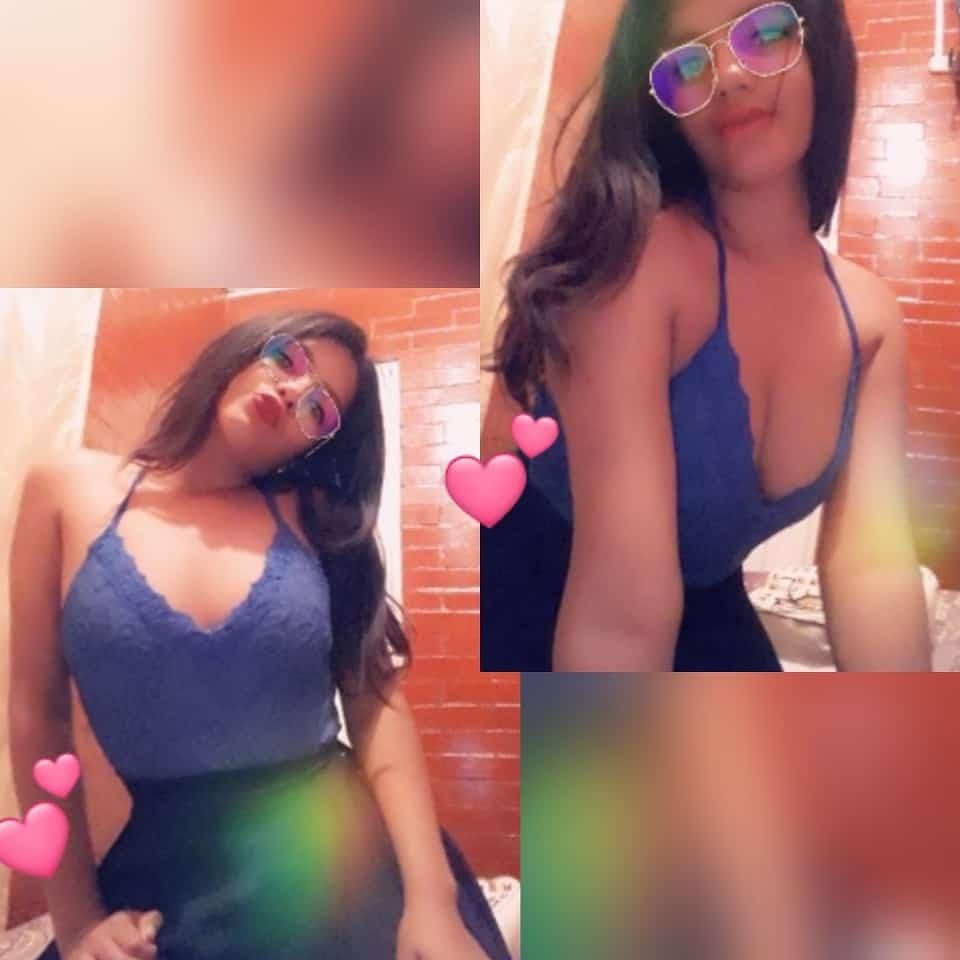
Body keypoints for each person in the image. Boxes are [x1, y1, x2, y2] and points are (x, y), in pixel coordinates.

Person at [9, 313, 511, 959]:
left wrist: (432, 900)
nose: (292, 391)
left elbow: (375, 704)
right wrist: (77, 919)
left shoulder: (318, 520)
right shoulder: (63, 488)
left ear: (311, 448)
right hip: (169, 866)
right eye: (288, 358)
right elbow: (36, 712)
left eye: (319, 410)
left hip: (339, 855)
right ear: (245, 352)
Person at [483, 0, 931, 672]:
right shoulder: (636, 264)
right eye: (687, 62)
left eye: (763, 32)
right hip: (541, 610)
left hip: (705, 604)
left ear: (819, 46)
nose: (728, 75)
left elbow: (873, 568)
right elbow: (621, 618)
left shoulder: (870, 320)